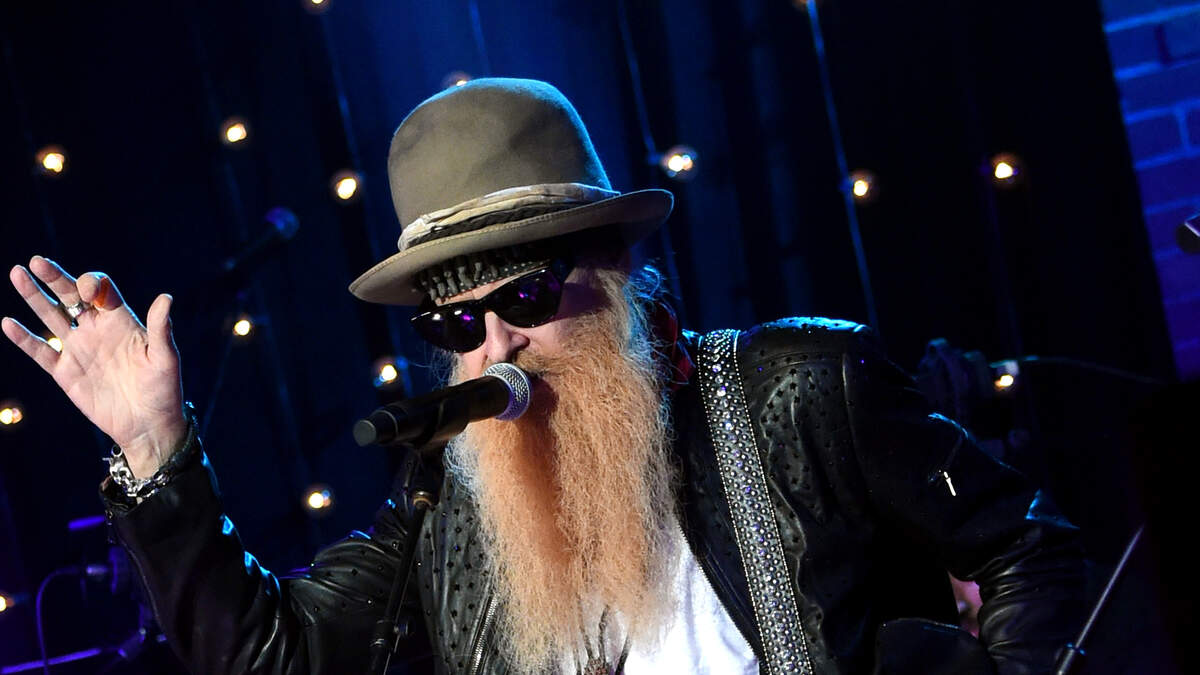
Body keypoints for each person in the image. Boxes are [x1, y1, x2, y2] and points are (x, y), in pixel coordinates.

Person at [2, 78, 1083, 674]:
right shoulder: (447, 503)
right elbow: (272, 661)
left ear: (617, 278)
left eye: (524, 298)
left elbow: (1030, 548)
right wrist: (156, 452)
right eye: (455, 321)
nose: (495, 348)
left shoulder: (796, 392)